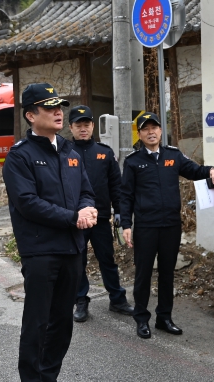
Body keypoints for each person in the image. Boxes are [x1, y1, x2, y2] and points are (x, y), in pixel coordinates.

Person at [3, 83, 97, 382]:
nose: (59, 113)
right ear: (31, 115)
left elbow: (86, 190)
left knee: (62, 320)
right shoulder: (20, 156)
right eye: (49, 107)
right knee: (37, 322)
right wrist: (73, 218)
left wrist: (87, 208)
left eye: (60, 107)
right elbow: (28, 203)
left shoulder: (70, 152)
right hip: (41, 250)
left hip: (72, 247)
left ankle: (48, 377)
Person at [120, 112, 214, 339]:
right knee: (143, 274)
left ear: (161, 130)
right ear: (140, 134)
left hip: (171, 226)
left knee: (167, 273)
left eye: (154, 127)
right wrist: (125, 224)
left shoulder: (172, 156)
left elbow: (194, 170)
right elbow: (125, 196)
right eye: (146, 129)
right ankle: (141, 319)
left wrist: (211, 169)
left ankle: (164, 318)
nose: (151, 132)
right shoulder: (133, 161)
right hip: (146, 226)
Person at [68, 105, 134, 322]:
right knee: (78, 262)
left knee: (107, 259)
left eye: (86, 124)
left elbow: (116, 186)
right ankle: (80, 301)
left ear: (93, 126)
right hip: (75, 220)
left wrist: (120, 213)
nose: (83, 128)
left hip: (101, 218)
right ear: (71, 128)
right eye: (78, 125)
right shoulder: (64, 152)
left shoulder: (104, 153)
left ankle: (117, 300)